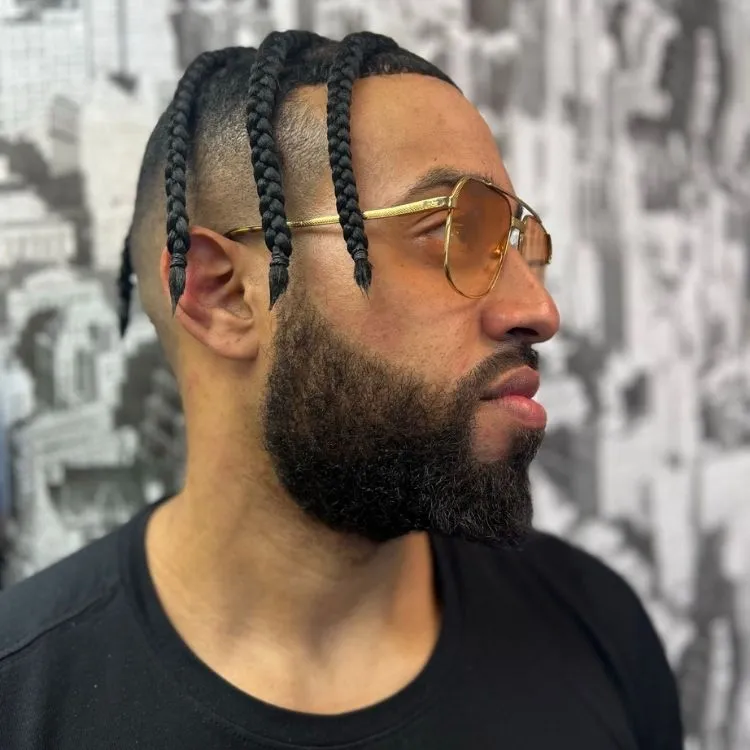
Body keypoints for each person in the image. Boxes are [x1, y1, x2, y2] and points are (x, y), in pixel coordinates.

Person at [0, 31, 683, 749]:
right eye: (452, 230)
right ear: (223, 293)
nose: (538, 310)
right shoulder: (25, 702)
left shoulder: (595, 629)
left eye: (519, 246)